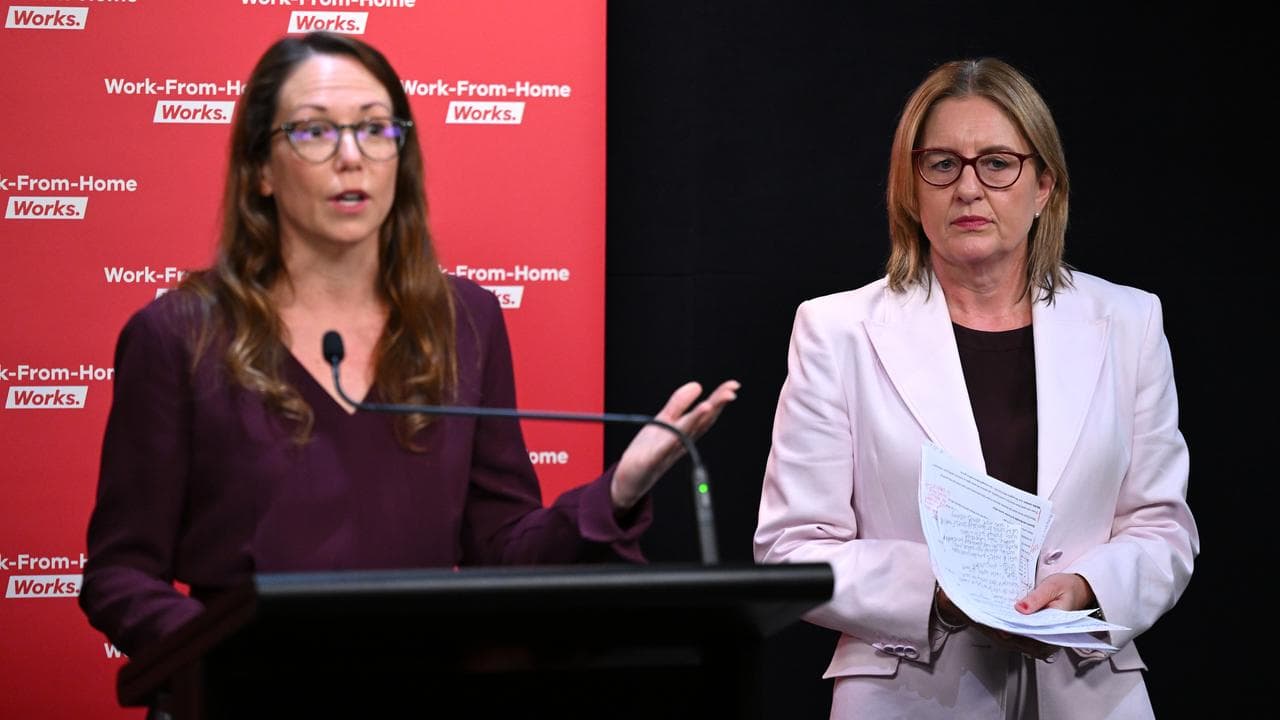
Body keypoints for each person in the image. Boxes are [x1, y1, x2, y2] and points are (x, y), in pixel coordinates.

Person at [79, 31, 739, 659]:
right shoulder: (179, 335)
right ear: (261, 171)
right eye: (313, 131)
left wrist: (615, 493)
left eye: (374, 128)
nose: (351, 155)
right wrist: (232, 657)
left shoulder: (465, 322)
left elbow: (500, 547)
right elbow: (121, 573)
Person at [753, 58, 1197, 719]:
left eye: (997, 163)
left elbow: (1162, 527)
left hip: (1090, 689)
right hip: (909, 692)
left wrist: (1087, 588)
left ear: (1044, 184)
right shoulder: (836, 331)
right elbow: (791, 550)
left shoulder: (1128, 322)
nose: (969, 187)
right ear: (911, 189)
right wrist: (936, 590)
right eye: (942, 164)